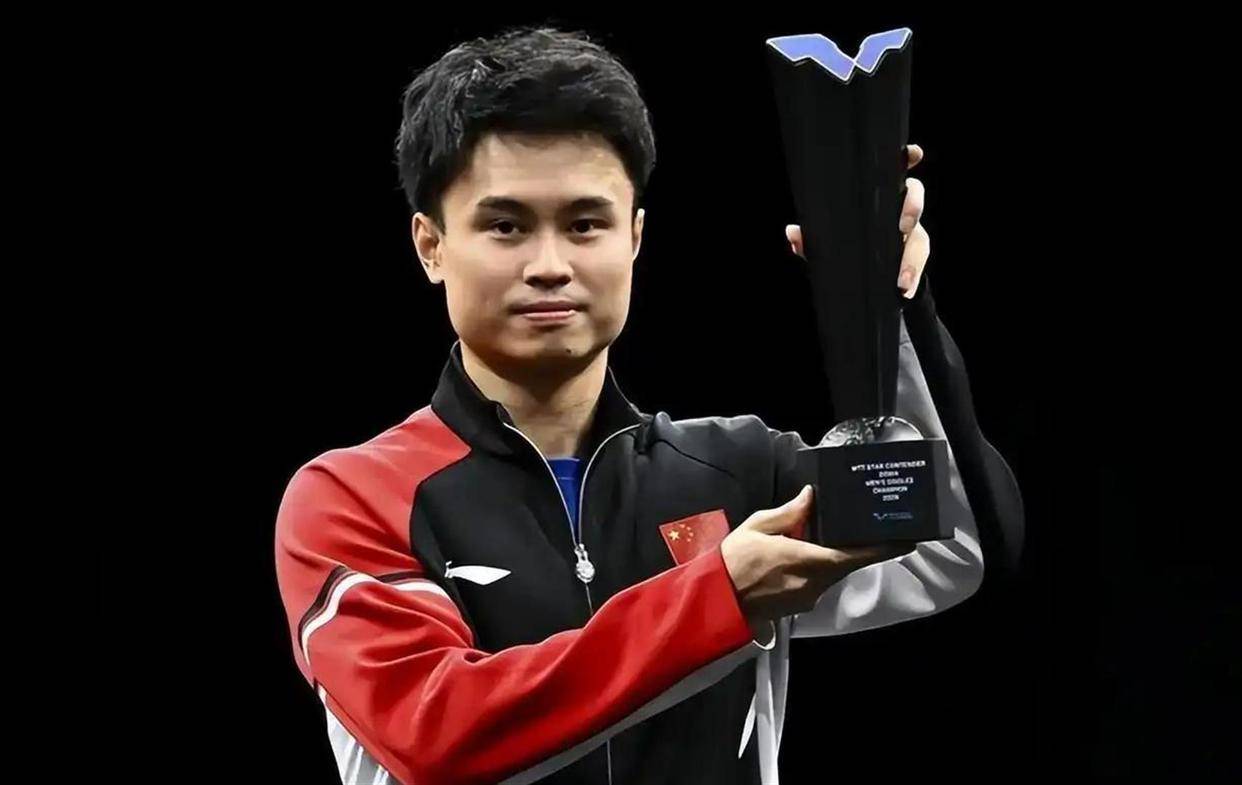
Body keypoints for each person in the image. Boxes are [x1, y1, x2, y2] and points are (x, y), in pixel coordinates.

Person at [274, 25, 1023, 785]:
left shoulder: (735, 474)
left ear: (633, 236)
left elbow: (956, 545)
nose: (549, 265)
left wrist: (890, 302)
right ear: (430, 245)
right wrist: (723, 595)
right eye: (505, 226)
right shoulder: (352, 499)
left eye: (585, 224)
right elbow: (437, 733)